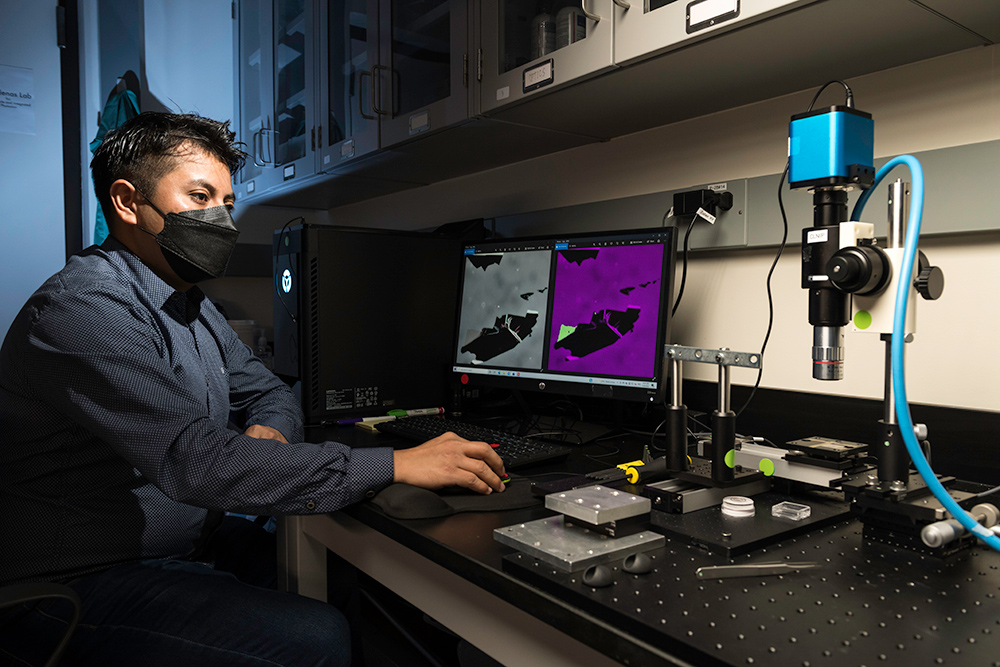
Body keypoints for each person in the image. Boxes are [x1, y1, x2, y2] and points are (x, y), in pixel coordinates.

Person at [0, 112, 505, 667]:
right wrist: (395, 464)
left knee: (344, 576)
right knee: (313, 637)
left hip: (188, 541)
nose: (222, 219)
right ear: (127, 202)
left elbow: (269, 391)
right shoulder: (83, 311)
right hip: (77, 579)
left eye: (227, 201)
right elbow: (197, 462)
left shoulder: (190, 304)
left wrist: (270, 430)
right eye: (199, 196)